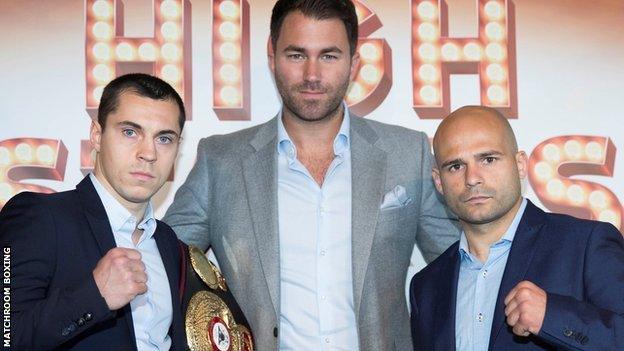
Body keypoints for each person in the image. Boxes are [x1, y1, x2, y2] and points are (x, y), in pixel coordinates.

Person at [163, 0, 459, 349]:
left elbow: (462, 263)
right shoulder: (221, 160)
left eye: (329, 56)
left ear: (354, 64)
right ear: (272, 57)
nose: (312, 75)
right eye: (296, 55)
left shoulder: (408, 153)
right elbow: (165, 264)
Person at [409, 105, 624, 350]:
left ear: (520, 164)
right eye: (456, 166)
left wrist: (552, 317)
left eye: (488, 159)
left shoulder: (586, 245)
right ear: (438, 181)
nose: (472, 178)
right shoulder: (426, 287)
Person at [0, 73, 187, 350]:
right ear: (97, 136)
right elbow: (6, 335)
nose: (148, 153)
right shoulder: (40, 218)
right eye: (130, 132)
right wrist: (93, 295)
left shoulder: (169, 242)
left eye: (164, 138)